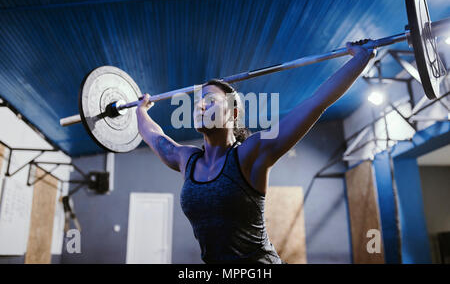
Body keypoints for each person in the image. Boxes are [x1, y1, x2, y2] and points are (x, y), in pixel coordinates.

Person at [136, 40, 376, 264]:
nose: (199, 105)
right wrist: (141, 110)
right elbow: (155, 138)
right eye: (197, 101)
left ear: (233, 113)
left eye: (209, 100)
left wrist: (360, 58)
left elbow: (315, 104)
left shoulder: (250, 154)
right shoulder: (186, 159)